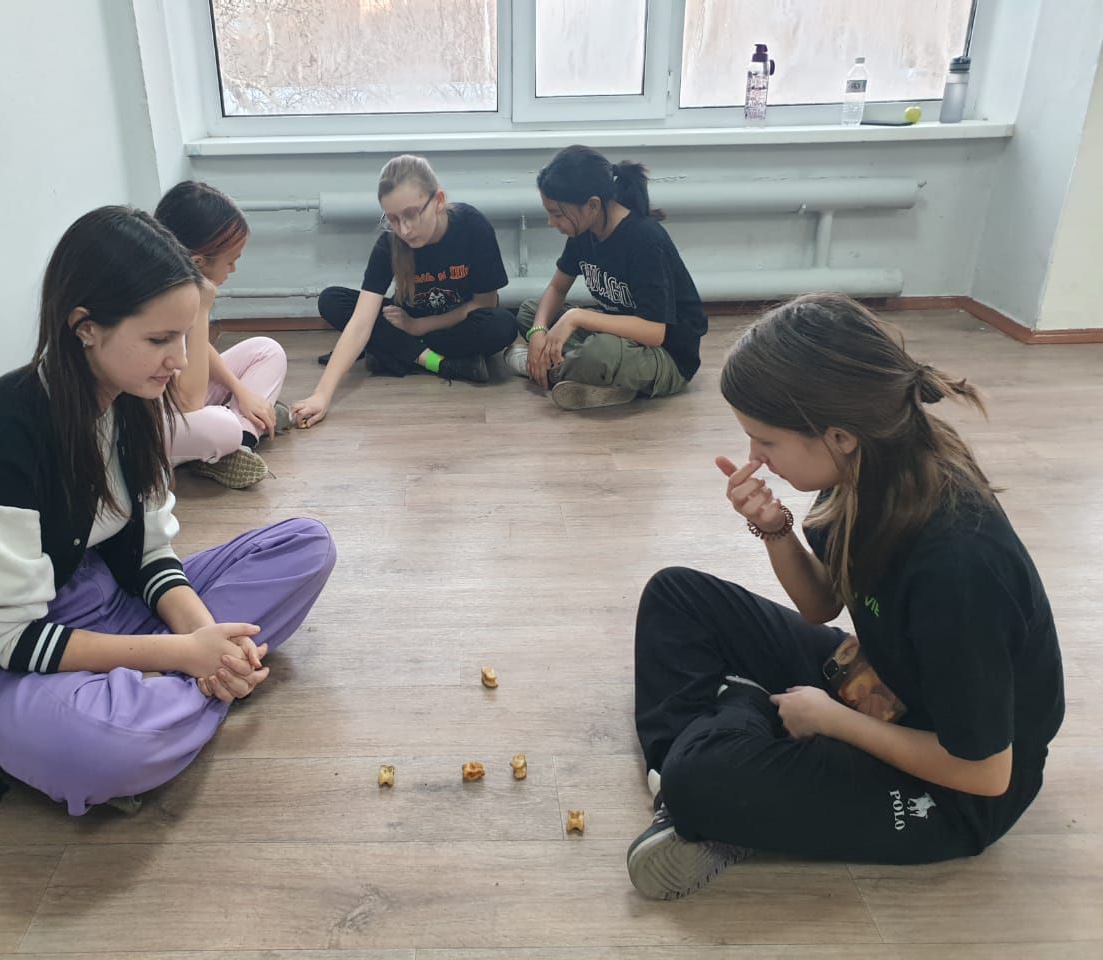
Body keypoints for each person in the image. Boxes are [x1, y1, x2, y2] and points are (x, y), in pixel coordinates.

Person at [0, 206, 336, 817]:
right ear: (85, 327)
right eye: (159, 339)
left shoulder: (131, 403)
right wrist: (186, 655)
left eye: (184, 336)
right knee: (101, 746)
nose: (180, 360)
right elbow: (12, 639)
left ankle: (170, 698)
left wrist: (204, 640)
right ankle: (163, 704)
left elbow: (151, 555)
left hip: (118, 605)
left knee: (307, 546)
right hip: (23, 659)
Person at [627, 294, 1064, 898]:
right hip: (881, 682)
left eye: (765, 441)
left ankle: (717, 748)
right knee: (675, 594)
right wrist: (775, 529)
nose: (755, 459)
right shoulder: (863, 474)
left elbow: (987, 773)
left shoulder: (958, 567)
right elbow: (821, 606)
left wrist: (832, 720)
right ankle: (700, 776)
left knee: (700, 778)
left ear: (839, 435)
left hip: (955, 788)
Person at [292, 154, 517, 428]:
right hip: (406, 322)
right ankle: (439, 363)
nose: (404, 229)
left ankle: (393, 353)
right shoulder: (389, 243)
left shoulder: (472, 226)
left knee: (502, 325)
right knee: (332, 300)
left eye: (411, 215)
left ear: (439, 200)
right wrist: (321, 395)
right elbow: (361, 322)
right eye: (393, 219)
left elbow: (486, 303)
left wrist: (419, 326)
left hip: (453, 325)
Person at [505, 145, 707, 411]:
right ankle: (601, 381)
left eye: (557, 214)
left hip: (664, 356)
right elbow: (557, 287)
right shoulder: (584, 231)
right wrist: (539, 331)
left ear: (592, 205)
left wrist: (575, 317)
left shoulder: (645, 240)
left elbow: (654, 332)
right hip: (617, 335)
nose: (551, 222)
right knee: (530, 312)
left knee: (600, 352)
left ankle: (545, 369)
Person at [155, 180, 290, 489]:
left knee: (267, 350)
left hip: (180, 397)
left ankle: (236, 437)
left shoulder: (179, 283)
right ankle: (238, 436)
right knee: (223, 428)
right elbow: (188, 401)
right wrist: (202, 310)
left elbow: (199, 350)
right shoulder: (159, 302)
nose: (233, 270)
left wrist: (242, 391)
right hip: (156, 421)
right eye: (231, 261)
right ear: (198, 263)